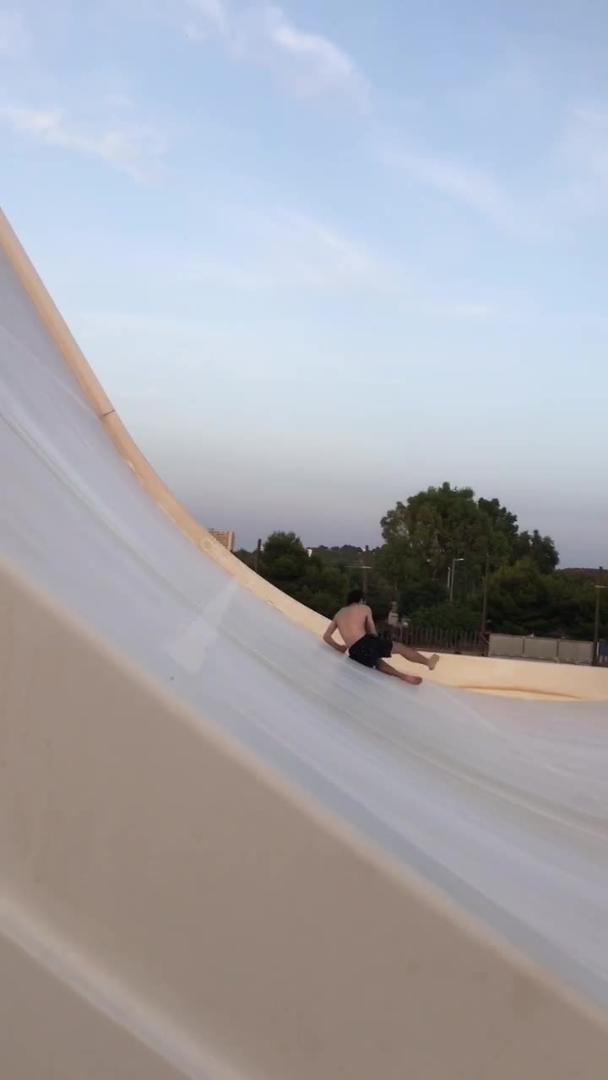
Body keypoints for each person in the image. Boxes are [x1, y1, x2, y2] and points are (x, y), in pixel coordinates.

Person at [323, 589, 439, 686]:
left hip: (354, 651)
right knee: (400, 648)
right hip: (365, 641)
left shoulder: (339, 613)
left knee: (377, 662)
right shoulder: (364, 608)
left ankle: (402, 676)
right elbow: (372, 629)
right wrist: (376, 639)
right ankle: (428, 662)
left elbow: (326, 636)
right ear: (361, 600)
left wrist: (339, 648)